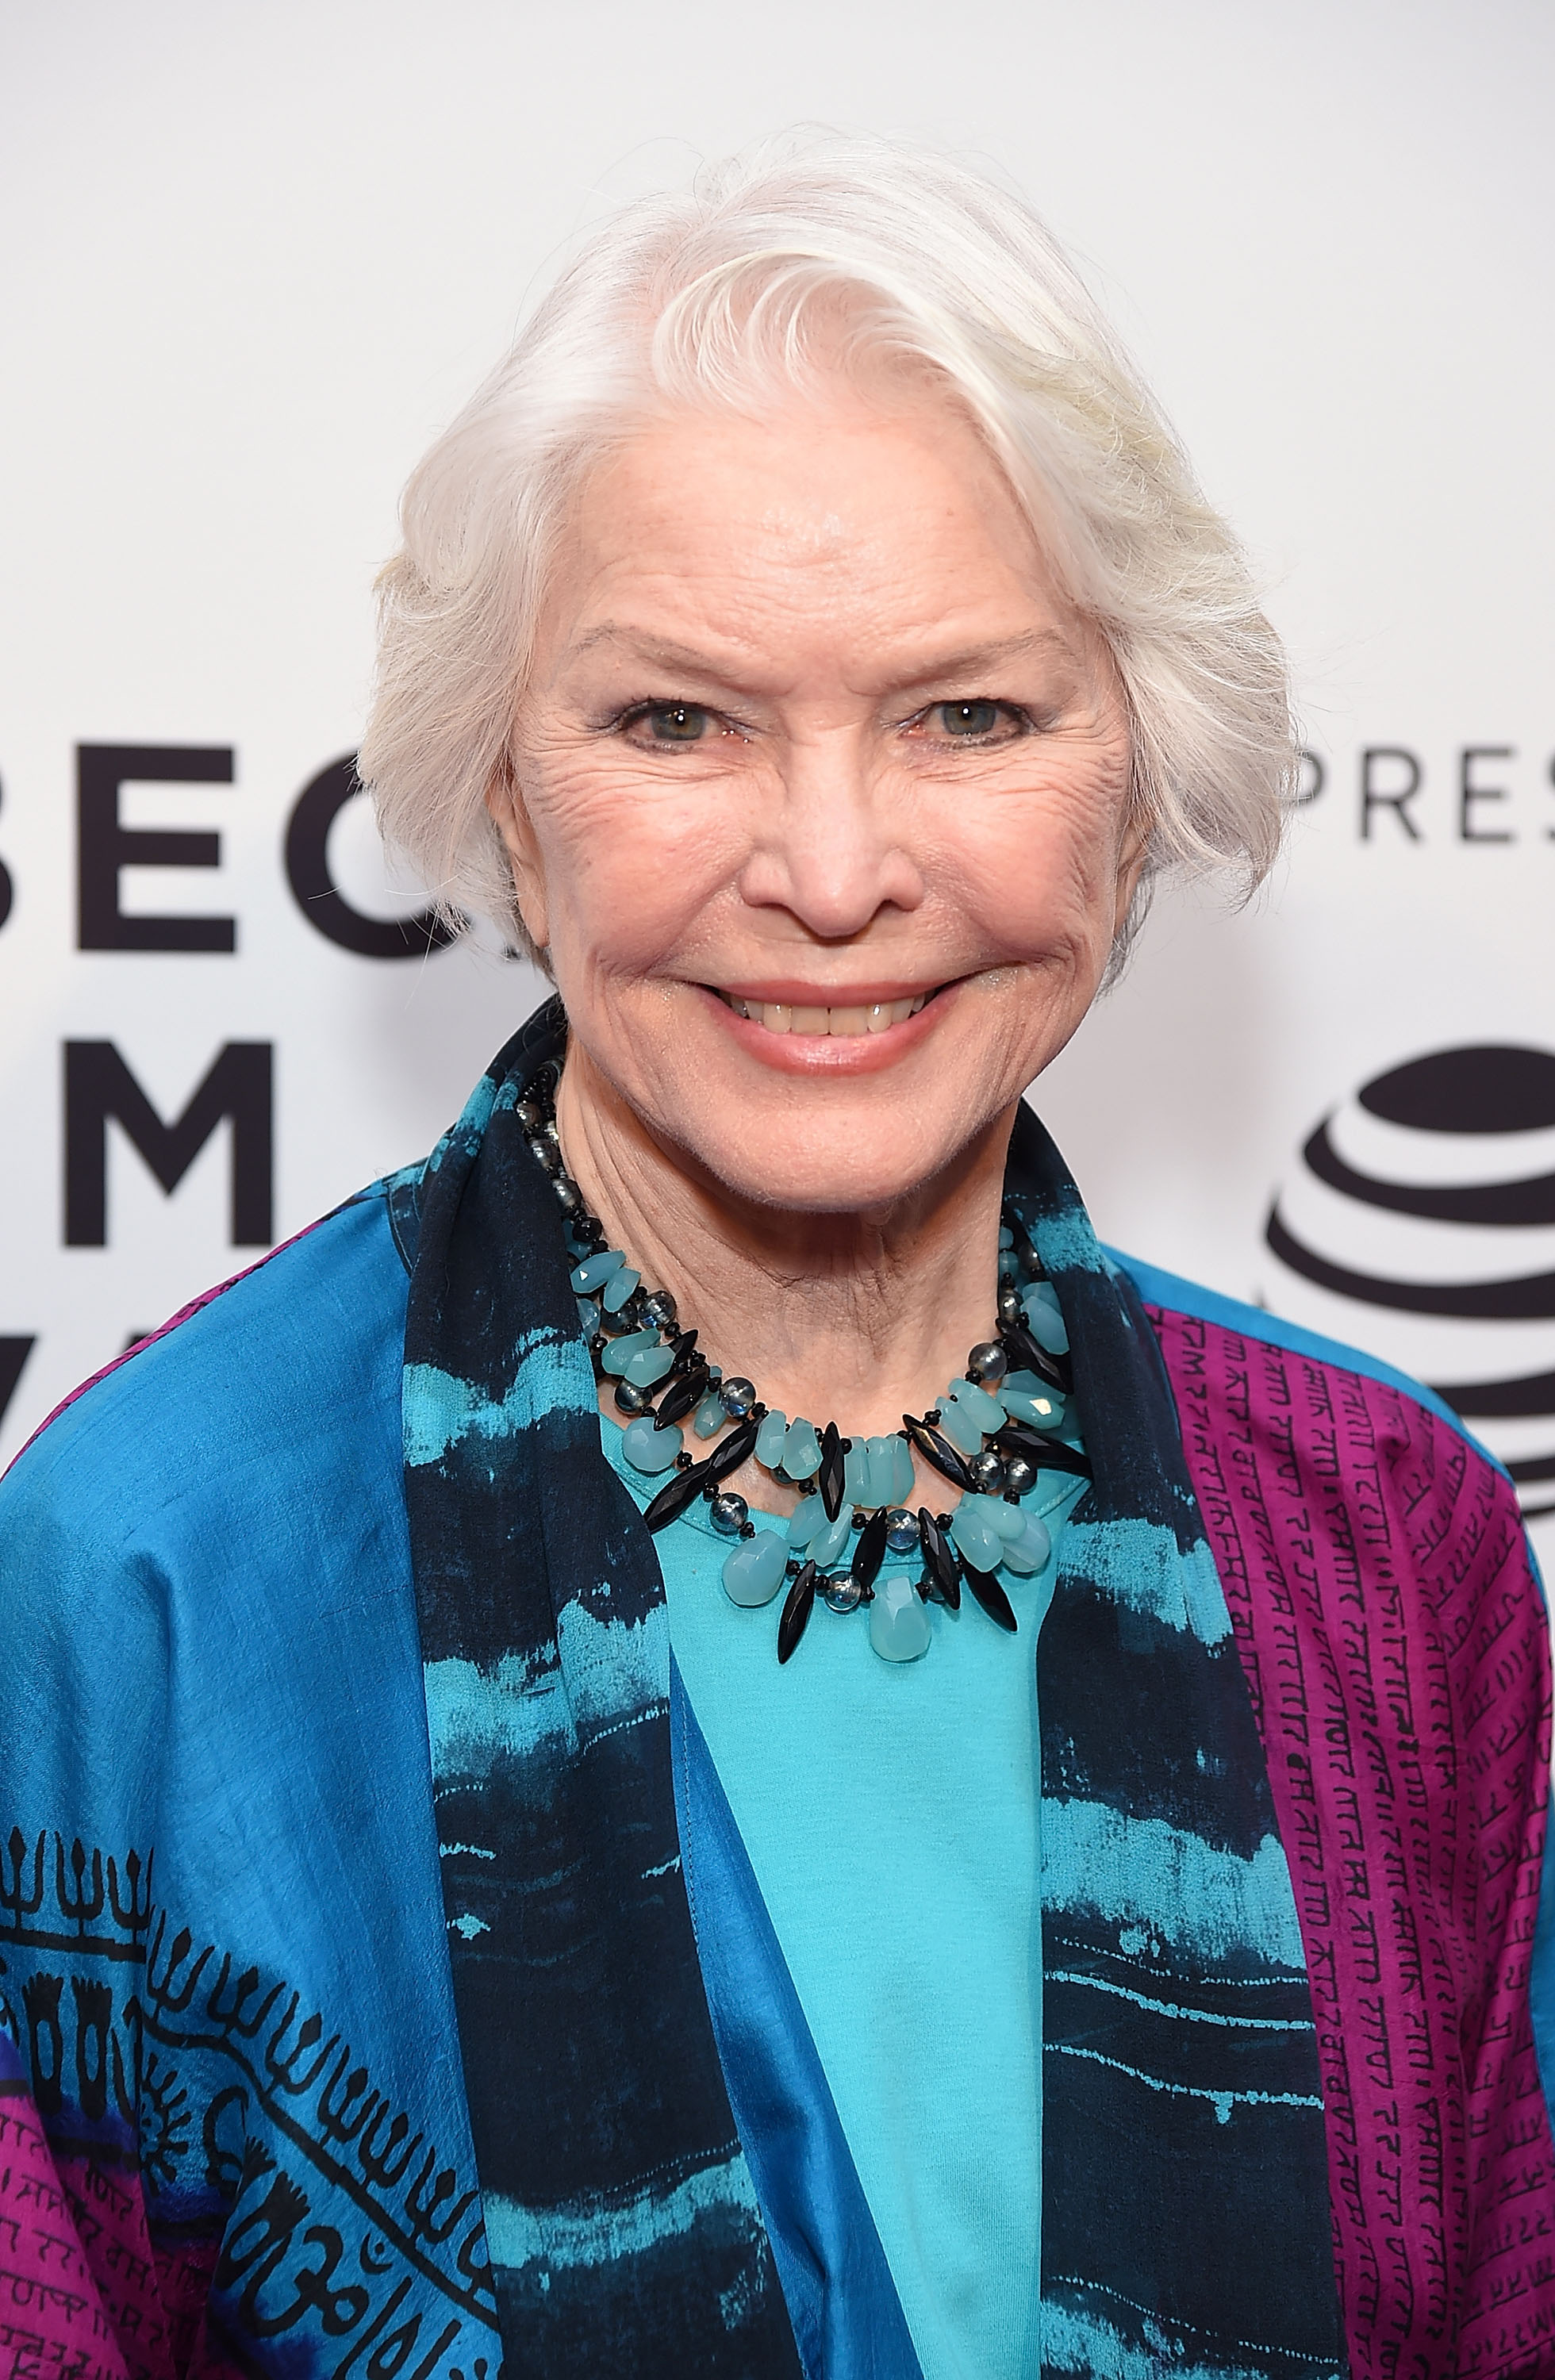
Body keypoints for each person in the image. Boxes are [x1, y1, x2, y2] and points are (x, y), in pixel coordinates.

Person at [2, 133, 1552, 2380]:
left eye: (971, 716)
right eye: (675, 722)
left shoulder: (1386, 1540)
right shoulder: (151, 1565)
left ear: (1140, 774)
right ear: (507, 800)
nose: (832, 872)